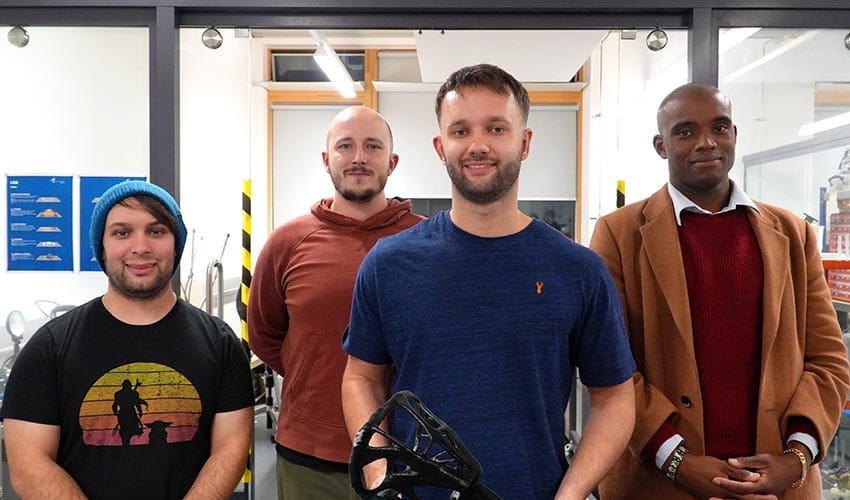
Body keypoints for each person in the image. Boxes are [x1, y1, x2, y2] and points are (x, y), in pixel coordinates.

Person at [341, 64, 637, 500]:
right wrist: (379, 473)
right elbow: (360, 379)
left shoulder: (577, 269)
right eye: (460, 131)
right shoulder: (389, 263)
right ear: (441, 147)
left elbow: (614, 399)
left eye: (496, 128)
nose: (477, 145)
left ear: (525, 141)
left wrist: (571, 493)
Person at [590, 83, 850, 500]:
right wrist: (676, 460)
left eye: (719, 127)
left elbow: (828, 360)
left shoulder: (792, 233)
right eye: (685, 131)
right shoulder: (619, 234)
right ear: (661, 145)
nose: (706, 142)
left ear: (734, 135)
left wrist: (796, 457)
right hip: (659, 482)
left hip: (777, 485)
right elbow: (610, 366)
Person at [1, 180, 254, 500]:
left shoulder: (220, 344)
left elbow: (230, 449)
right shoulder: (50, 348)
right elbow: (29, 466)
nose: (140, 247)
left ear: (176, 244)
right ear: (102, 247)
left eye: (157, 231)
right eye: (122, 232)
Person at [248, 106, 422, 499]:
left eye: (372, 146)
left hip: (407, 454)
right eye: (346, 146)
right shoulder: (287, 243)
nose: (359, 157)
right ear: (327, 160)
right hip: (310, 455)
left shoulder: (427, 243)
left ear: (391, 162)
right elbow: (265, 337)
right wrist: (314, 372)